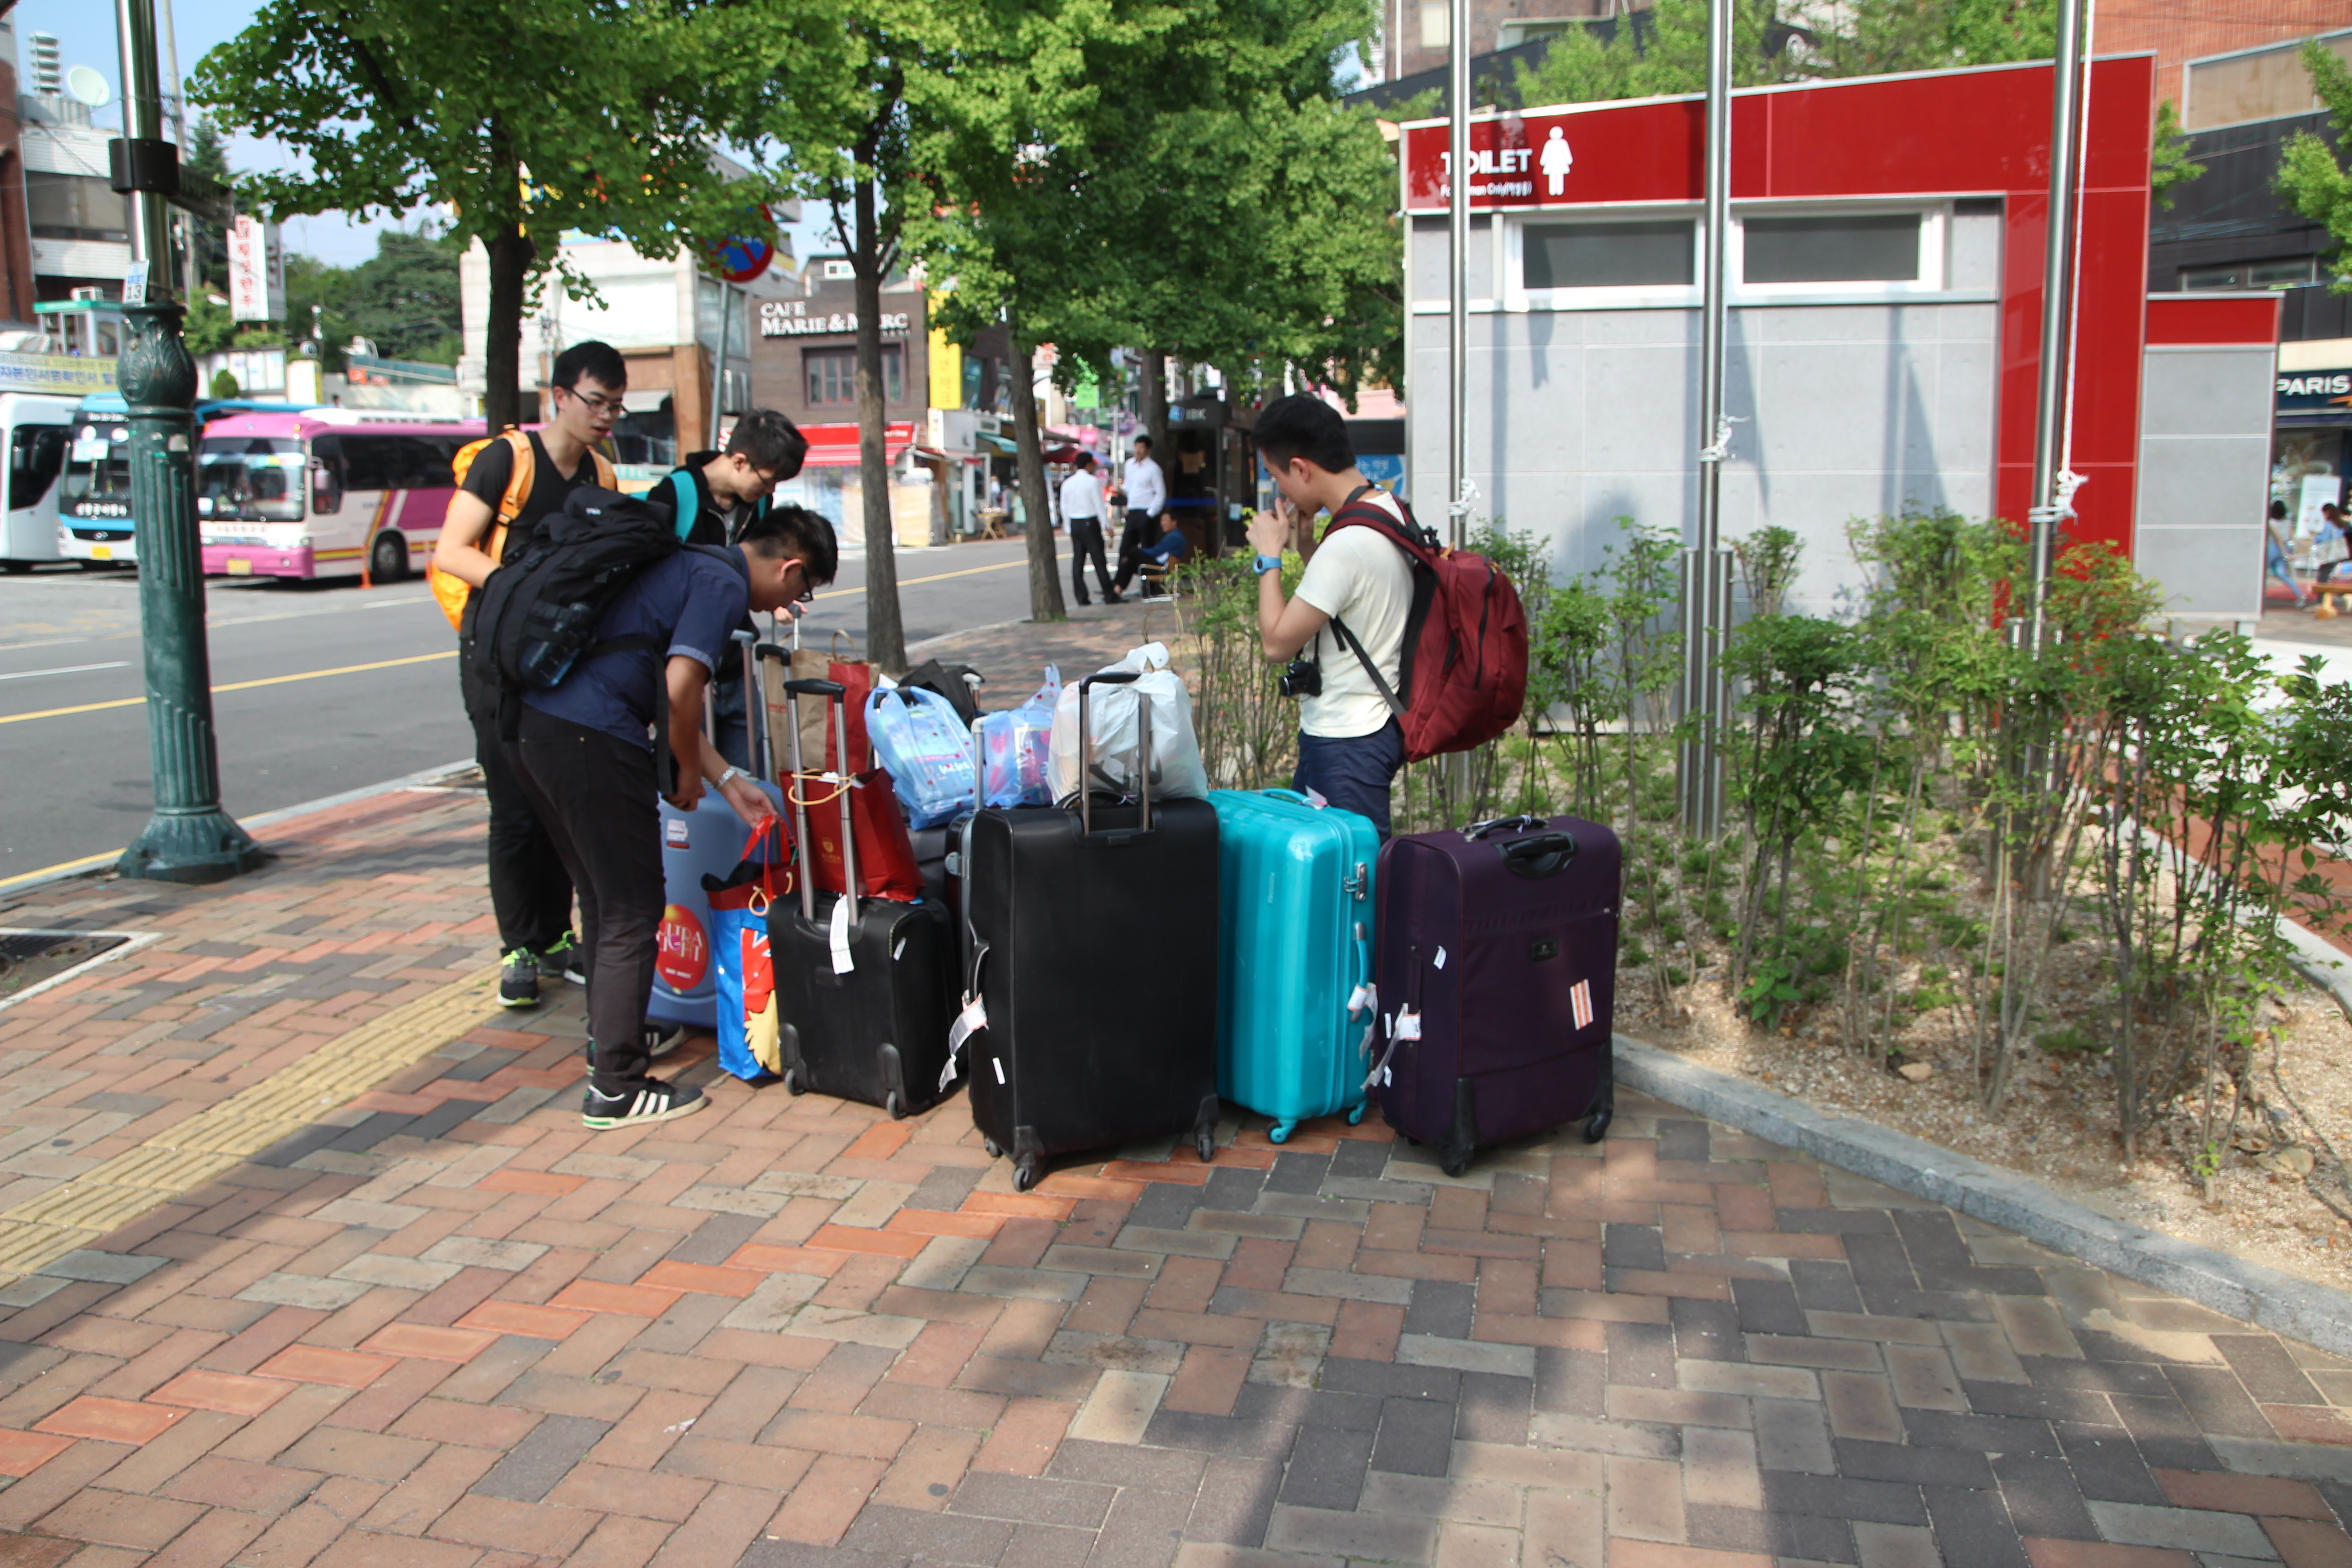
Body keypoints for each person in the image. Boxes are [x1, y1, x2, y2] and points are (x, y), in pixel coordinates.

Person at [510, 504, 838, 1130]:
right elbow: (682, 685)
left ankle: (606, 1049)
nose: (791, 604)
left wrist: (726, 780)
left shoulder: (688, 565)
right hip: (594, 739)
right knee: (635, 909)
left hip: (537, 732)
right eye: (803, 590)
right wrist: (684, 775)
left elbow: (662, 694)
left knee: (606, 902)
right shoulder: (721, 584)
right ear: (791, 568)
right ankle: (616, 1086)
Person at [433, 339, 626, 1010]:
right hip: (494, 654)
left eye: (616, 405)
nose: (606, 416)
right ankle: (518, 945)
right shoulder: (507, 461)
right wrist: (524, 593)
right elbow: (451, 550)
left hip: (560, 657)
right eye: (596, 402)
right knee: (514, 804)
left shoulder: (601, 477)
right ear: (561, 397)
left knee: (560, 800)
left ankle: (552, 938)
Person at [1243, 395, 1413, 838]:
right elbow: (1357, 600)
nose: (1282, 492)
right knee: (1329, 873)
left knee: (1350, 880)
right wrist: (1305, 548)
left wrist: (1269, 557)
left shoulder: (1347, 545)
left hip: (1346, 737)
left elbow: (1277, 645)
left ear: (1301, 468)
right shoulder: (1388, 509)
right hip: (1370, 726)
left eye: (1279, 477)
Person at [652, 409, 809, 765]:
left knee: (748, 766)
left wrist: (778, 599)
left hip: (735, 662)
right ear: (739, 461)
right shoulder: (674, 494)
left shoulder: (759, 505)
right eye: (768, 480)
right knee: (692, 771)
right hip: (686, 660)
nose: (770, 490)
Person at [1060, 453, 1118, 605]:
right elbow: (1099, 505)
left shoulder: (1067, 483)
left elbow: (1064, 507)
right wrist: (1107, 525)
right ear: (1089, 464)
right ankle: (1109, 594)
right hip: (1089, 522)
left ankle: (1081, 597)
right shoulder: (1092, 482)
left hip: (1075, 523)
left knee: (1078, 561)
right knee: (1099, 559)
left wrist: (1068, 529)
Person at [1112, 435, 1166, 594]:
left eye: (1142, 447)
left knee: (1147, 550)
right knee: (1125, 550)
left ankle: (1150, 587)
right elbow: (1129, 486)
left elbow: (1161, 494)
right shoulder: (1130, 465)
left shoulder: (1154, 469)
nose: (1138, 450)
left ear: (1148, 450)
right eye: (1136, 446)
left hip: (1146, 512)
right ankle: (1117, 586)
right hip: (1132, 512)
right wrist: (1122, 490)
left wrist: (1150, 514)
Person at [1133, 513, 1191, 598]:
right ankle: (1118, 588)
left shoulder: (1174, 537)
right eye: (1161, 521)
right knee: (1130, 561)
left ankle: (1117, 588)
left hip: (1163, 570)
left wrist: (1139, 550)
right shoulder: (1175, 536)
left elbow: (1156, 552)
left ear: (1174, 522)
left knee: (1132, 555)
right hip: (1163, 567)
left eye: (1165, 520)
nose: (1162, 524)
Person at [2268, 499, 2311, 607]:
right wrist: (2288, 551)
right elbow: (2290, 535)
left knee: (2261, 572)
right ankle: (2299, 594)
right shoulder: (2288, 521)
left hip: (2274, 547)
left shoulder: (2272, 522)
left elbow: (2277, 538)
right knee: (2281, 574)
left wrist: (2284, 552)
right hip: (2285, 546)